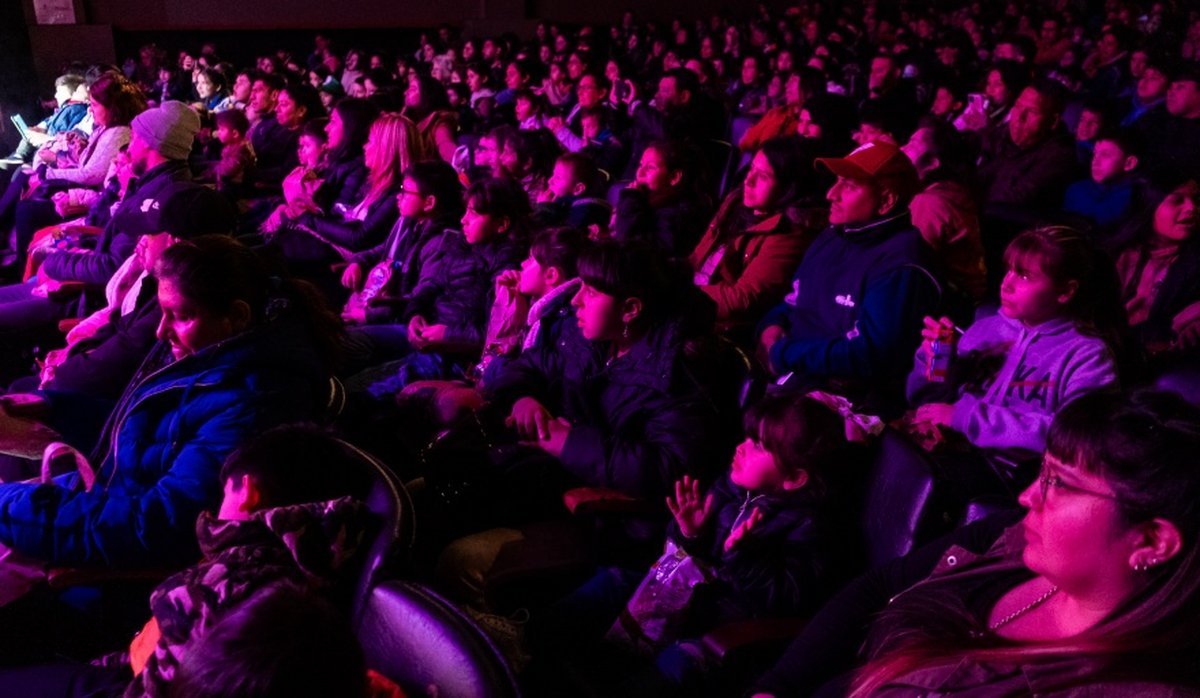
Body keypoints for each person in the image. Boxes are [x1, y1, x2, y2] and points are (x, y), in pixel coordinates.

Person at [843, 390, 1200, 696]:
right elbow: (881, 584)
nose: (1027, 497)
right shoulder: (1019, 538)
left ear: (1152, 541)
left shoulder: (1135, 687)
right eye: (1042, 472)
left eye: (1060, 483)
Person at [529, 393, 860, 695]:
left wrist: (746, 558)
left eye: (758, 445)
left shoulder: (812, 526)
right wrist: (691, 534)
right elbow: (683, 555)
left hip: (727, 624)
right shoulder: (736, 487)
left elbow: (789, 599)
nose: (741, 447)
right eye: (747, 437)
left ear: (795, 477)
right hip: (690, 598)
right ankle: (526, 647)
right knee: (613, 581)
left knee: (680, 661)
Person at [758, 141, 940, 416]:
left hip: (839, 402)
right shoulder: (834, 235)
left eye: (850, 186)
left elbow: (870, 354)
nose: (831, 194)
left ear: (886, 200)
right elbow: (794, 300)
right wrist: (770, 326)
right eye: (836, 181)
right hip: (790, 371)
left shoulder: (902, 266)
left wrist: (783, 354)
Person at [907, 227, 1123, 460]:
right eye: (1008, 270)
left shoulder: (1086, 355)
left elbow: (1077, 437)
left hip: (1010, 477)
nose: (1006, 284)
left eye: (1025, 276)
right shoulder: (987, 328)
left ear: (1065, 291)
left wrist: (968, 418)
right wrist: (938, 359)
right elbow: (926, 399)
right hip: (948, 452)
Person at [689, 136, 826, 337]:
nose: (748, 180)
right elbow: (697, 259)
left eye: (762, 176)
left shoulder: (790, 232)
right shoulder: (736, 202)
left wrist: (680, 294)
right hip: (695, 301)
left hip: (722, 327)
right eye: (751, 168)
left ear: (788, 187)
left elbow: (743, 299)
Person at [902, 118, 988, 303]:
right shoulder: (952, 190)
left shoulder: (930, 202)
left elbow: (907, 262)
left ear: (933, 163)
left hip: (952, 302)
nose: (902, 149)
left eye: (912, 144)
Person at [1110, 181, 1200, 357]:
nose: (1192, 208)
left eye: (1196, 200)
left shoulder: (1194, 263)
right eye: (1177, 200)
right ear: (1150, 205)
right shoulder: (1117, 253)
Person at [976, 79, 1079, 213]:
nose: (1020, 116)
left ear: (1053, 121)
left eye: (1032, 111)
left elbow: (1012, 201)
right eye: (1018, 106)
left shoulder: (1058, 157)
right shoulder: (1002, 134)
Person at [614, 140, 712, 256]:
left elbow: (633, 250)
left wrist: (630, 202)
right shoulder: (648, 200)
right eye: (641, 165)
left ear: (674, 177)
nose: (639, 173)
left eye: (650, 168)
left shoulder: (680, 215)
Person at [1063, 128, 1145, 231]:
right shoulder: (1077, 188)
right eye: (1095, 153)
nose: (1095, 161)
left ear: (1129, 163)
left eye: (1105, 155)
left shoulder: (1133, 201)